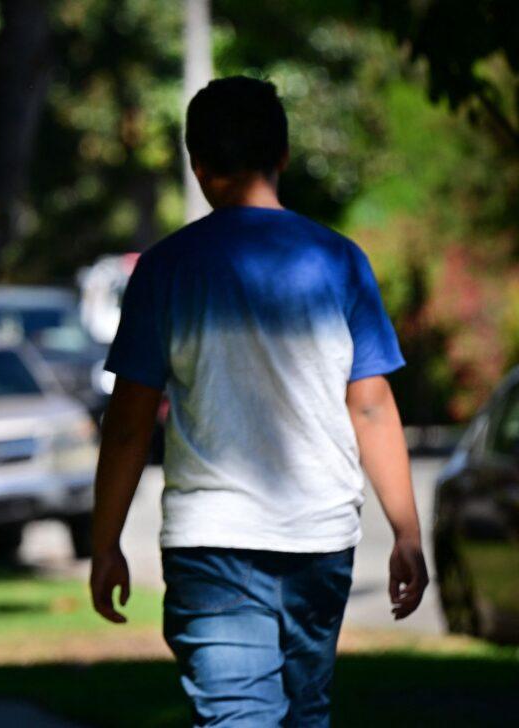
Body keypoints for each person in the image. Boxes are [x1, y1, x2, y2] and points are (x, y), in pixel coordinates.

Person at [89, 76, 428, 727]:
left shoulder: (166, 270)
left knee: (238, 716)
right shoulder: (340, 262)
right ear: (285, 156)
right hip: (321, 539)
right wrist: (407, 532)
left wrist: (105, 543)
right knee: (305, 715)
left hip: (211, 543)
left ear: (197, 166)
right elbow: (374, 407)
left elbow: (129, 426)